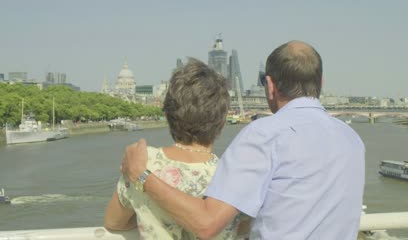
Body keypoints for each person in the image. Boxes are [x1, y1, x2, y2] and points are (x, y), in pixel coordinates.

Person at [121, 40, 365, 239]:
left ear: (269, 85)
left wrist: (141, 174)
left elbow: (207, 224)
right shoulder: (352, 139)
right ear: (321, 83)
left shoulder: (265, 134)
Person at [104, 59, 248, 239]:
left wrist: (148, 215)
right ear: (222, 120)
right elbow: (242, 227)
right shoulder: (232, 174)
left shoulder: (141, 162)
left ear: (167, 115)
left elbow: (114, 222)